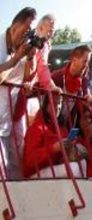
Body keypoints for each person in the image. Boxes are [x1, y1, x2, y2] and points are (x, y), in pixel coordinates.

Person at [0, 7, 38, 180]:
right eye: (26, 29)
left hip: (10, 116)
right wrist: (15, 60)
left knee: (15, 165)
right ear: (15, 26)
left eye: (31, 31)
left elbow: (29, 76)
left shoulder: (20, 48)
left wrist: (30, 57)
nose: (28, 35)